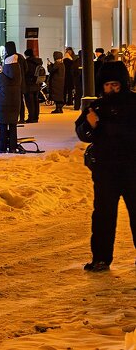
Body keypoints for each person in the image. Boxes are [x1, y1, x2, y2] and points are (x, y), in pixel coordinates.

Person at [75, 65, 136, 272]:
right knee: (103, 216)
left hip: (131, 169)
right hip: (105, 170)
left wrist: (102, 127)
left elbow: (128, 133)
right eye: (107, 85)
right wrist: (89, 126)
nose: (111, 89)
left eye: (115, 84)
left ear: (123, 85)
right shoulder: (97, 107)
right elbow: (83, 133)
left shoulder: (133, 104)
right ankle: (100, 258)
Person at [0, 41, 24, 153]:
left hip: (3, 104)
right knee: (13, 126)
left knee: (3, 126)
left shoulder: (2, 76)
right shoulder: (18, 75)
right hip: (15, 103)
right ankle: (13, 147)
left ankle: (2, 147)